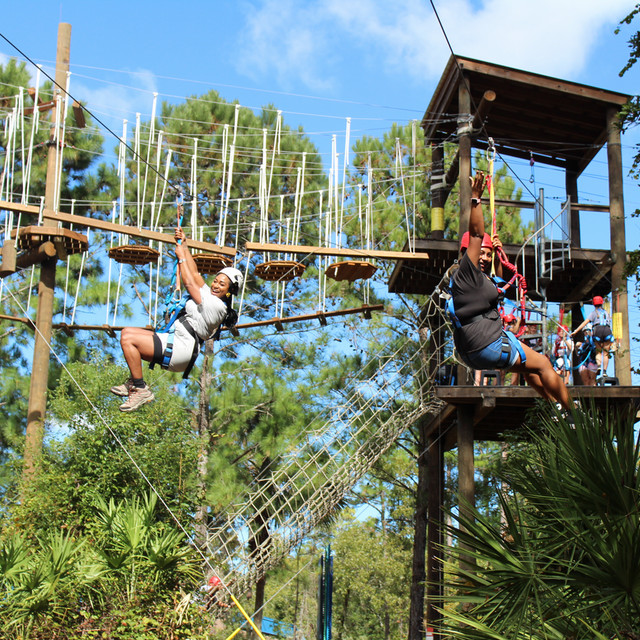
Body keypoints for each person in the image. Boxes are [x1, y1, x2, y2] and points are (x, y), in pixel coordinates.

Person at [447, 171, 572, 410]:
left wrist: (500, 255)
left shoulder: (470, 281)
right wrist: (476, 199)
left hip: (472, 350)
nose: (484, 258)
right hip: (488, 344)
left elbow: (496, 288)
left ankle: (553, 406)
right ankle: (574, 414)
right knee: (544, 364)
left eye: (487, 254)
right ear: (466, 254)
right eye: (480, 253)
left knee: (530, 368)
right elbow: (475, 233)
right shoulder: (465, 271)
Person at [112, 227, 243, 412]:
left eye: (222, 284)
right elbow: (195, 275)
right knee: (127, 332)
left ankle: (139, 387)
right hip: (177, 342)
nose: (215, 285)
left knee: (128, 339)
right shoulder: (211, 296)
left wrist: (181, 256)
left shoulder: (217, 306)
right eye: (215, 281)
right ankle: (135, 382)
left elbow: (189, 283)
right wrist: (185, 245)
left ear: (229, 291)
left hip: (181, 349)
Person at [571, 296, 614, 377]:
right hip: (607, 330)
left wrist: (575, 331)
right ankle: (604, 371)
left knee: (598, 351)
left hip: (597, 330)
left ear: (593, 304)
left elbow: (585, 323)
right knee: (605, 353)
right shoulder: (606, 313)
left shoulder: (593, 313)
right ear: (602, 303)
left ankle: (599, 367)